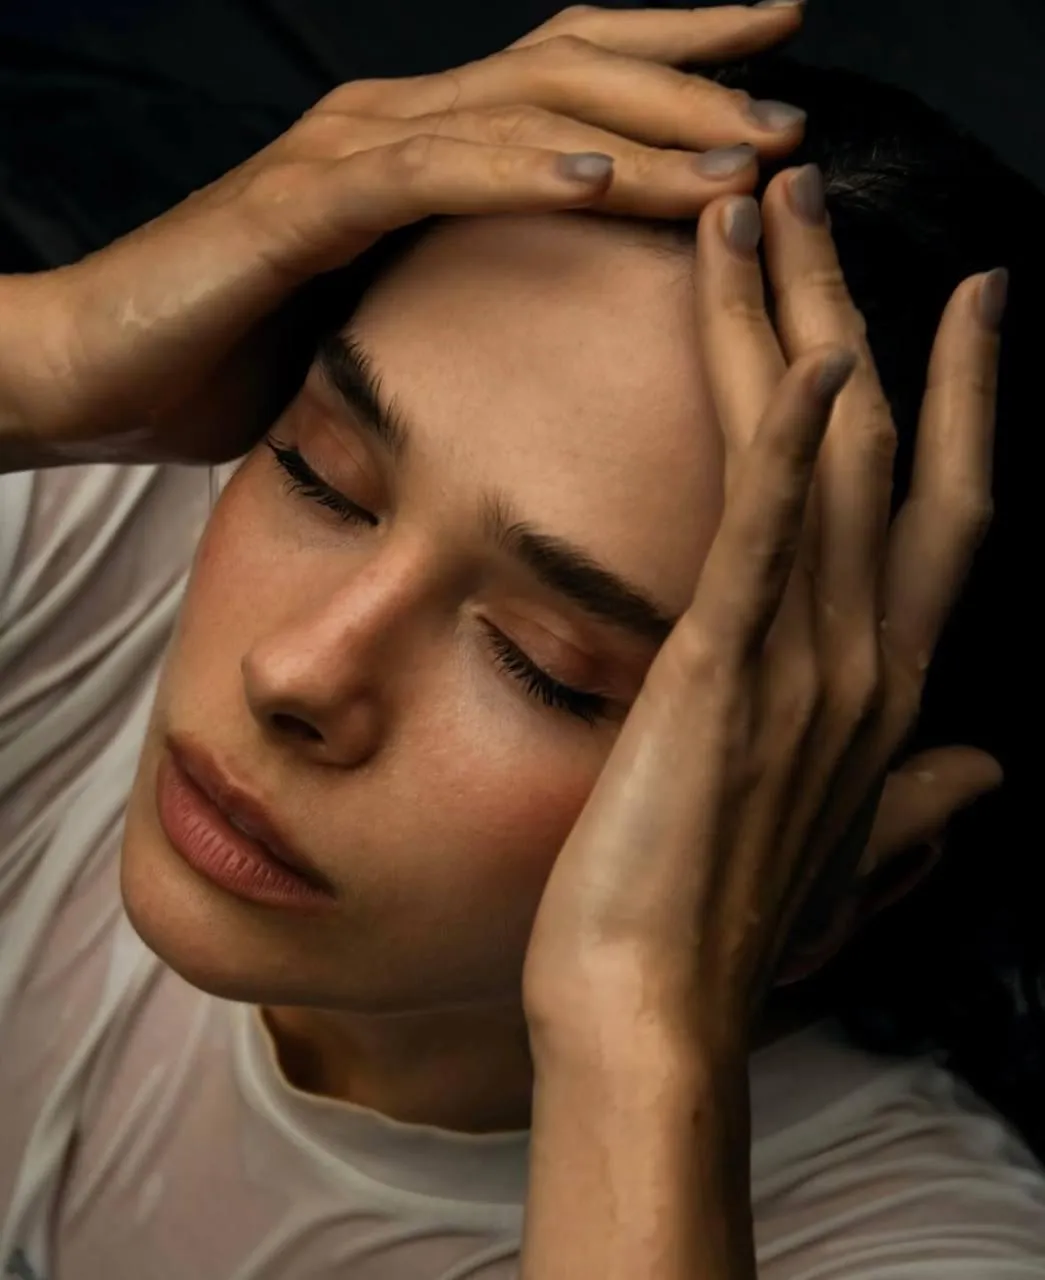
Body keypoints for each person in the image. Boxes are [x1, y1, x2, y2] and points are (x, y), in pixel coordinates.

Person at [1, 6, 1043, 1278]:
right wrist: (41, 360)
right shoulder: (95, 552)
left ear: (846, 878)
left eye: (545, 667)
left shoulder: (924, 1251)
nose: (297, 671)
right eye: (324, 477)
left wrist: (636, 1036)